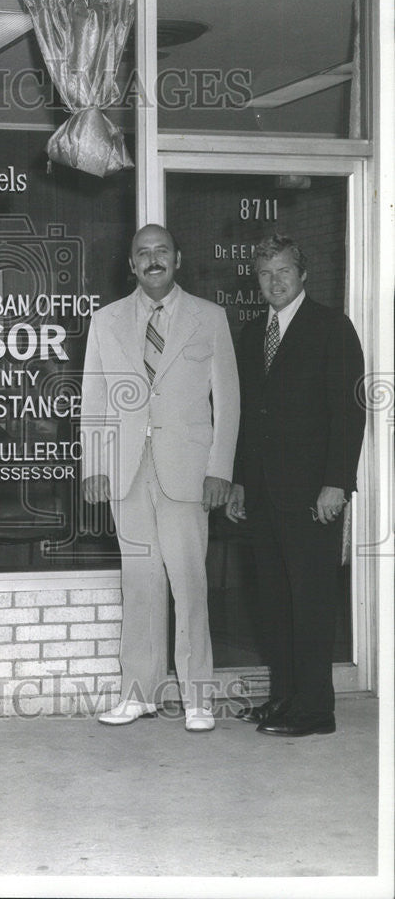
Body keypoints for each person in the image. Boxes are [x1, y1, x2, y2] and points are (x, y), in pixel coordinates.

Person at [81, 224, 239, 731]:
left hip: (187, 471)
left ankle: (198, 698)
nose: (153, 260)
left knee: (189, 583)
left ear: (178, 258)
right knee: (141, 581)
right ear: (131, 265)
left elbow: (228, 402)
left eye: (161, 251)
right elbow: (95, 401)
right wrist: (95, 466)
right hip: (127, 471)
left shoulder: (209, 319)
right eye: (142, 253)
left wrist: (220, 468)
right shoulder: (105, 322)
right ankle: (138, 693)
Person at [225, 234, 365, 737]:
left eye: (283, 271)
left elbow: (348, 414)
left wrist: (336, 484)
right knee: (273, 602)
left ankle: (315, 710)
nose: (275, 281)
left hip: (312, 496)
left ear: (303, 274)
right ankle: (283, 698)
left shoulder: (332, 328)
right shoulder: (249, 333)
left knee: (310, 601)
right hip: (261, 494)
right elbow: (243, 417)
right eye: (265, 274)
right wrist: (240, 483)